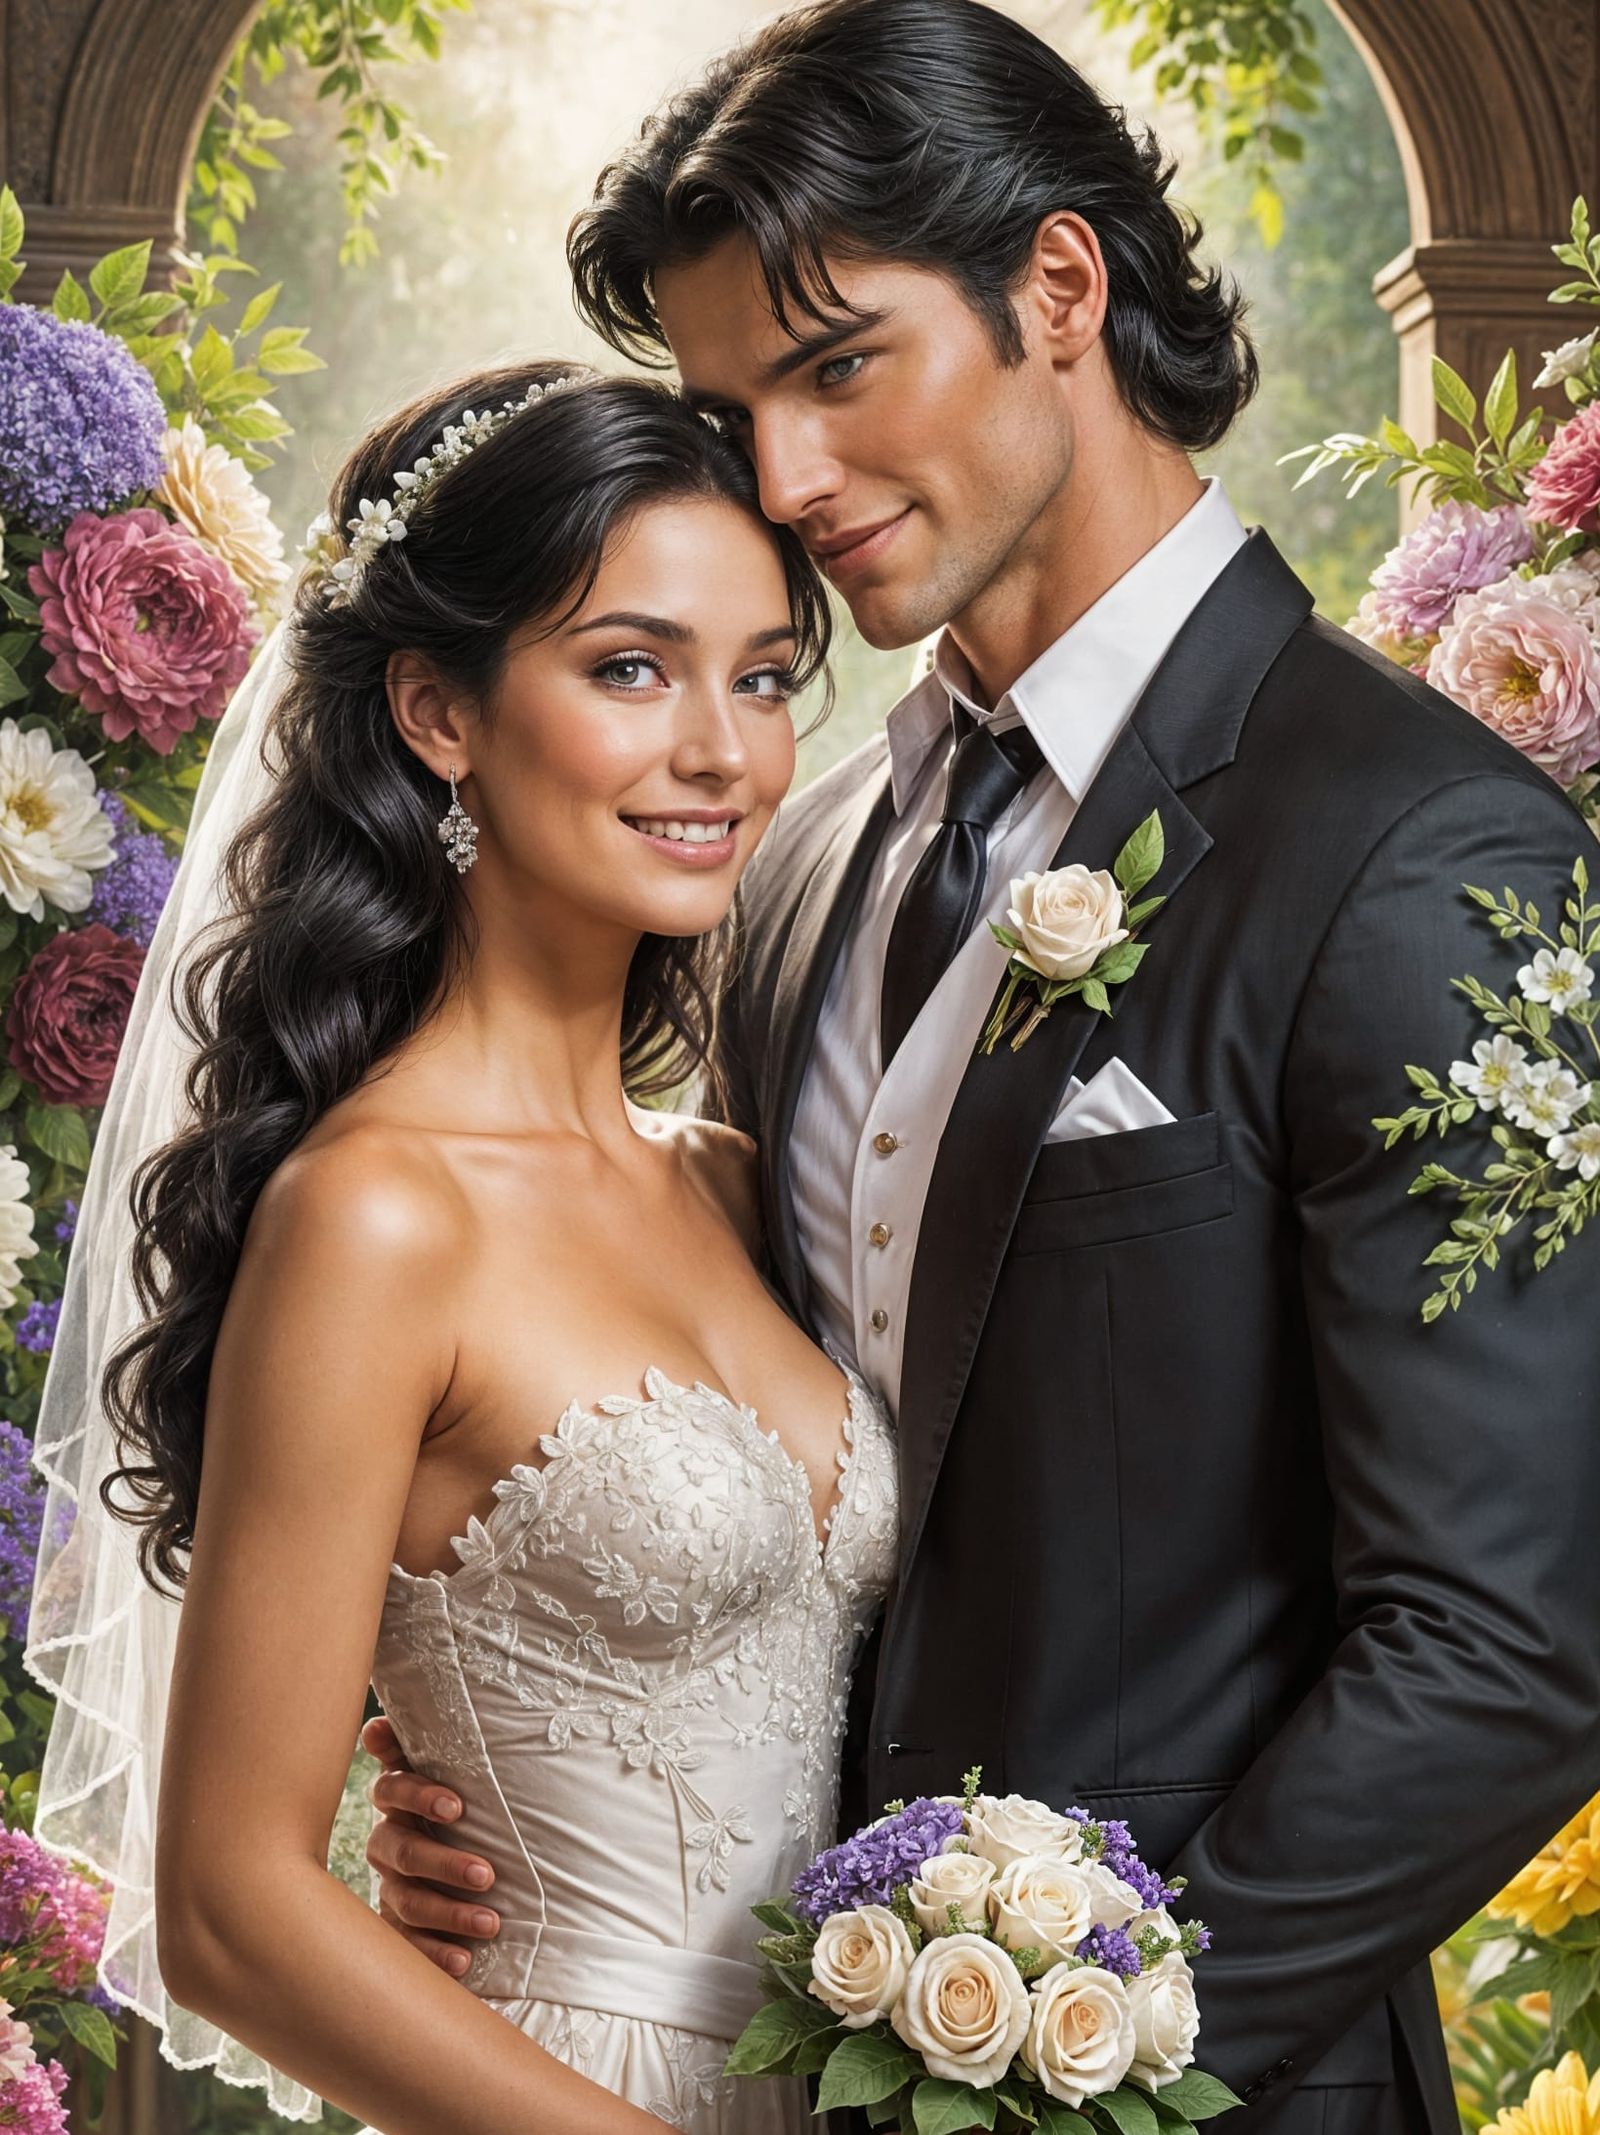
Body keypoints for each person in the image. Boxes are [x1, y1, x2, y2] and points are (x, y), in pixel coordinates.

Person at [365, 4, 1600, 2129]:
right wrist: (517, 1754)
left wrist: (1069, 2068)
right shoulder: (797, 844)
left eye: (837, 366)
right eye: (728, 403)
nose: (780, 479)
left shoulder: (1418, 848)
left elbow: (1506, 1647)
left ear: (1054, 290)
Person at [26, 360, 898, 2135]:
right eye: (631, 667)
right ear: (437, 709)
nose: (721, 751)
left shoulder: (736, 1179)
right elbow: (223, 1913)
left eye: (765, 678)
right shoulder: (378, 1213)